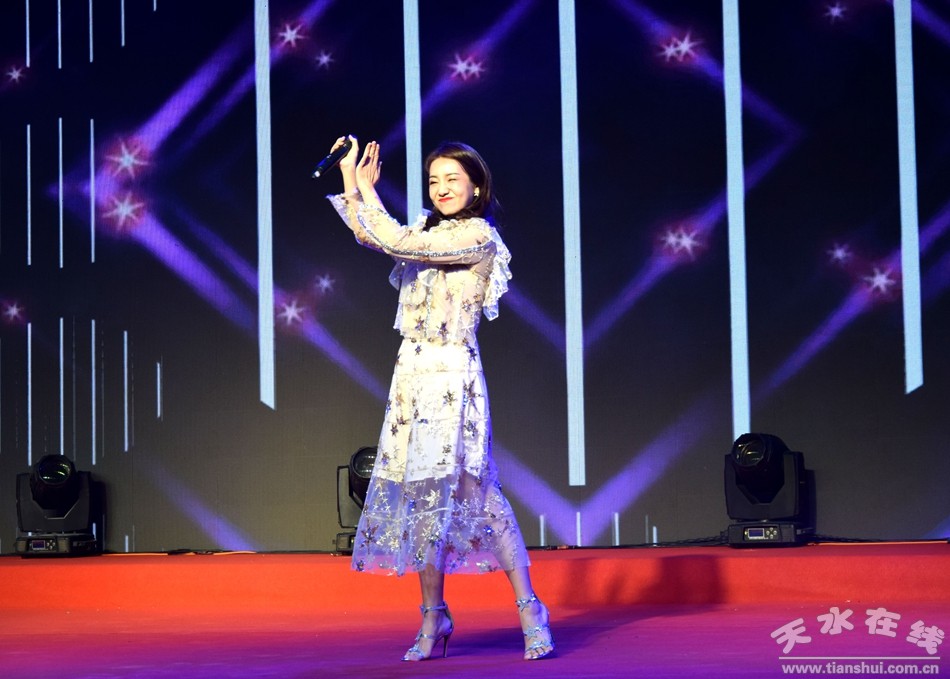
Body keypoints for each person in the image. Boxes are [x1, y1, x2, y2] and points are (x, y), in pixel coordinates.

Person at [326, 136, 555, 662]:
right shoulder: (427, 233)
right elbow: (375, 237)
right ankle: (434, 615)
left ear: (476, 186)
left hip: (453, 373)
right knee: (421, 495)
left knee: (477, 490)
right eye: (433, 181)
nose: (442, 188)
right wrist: (351, 180)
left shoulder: (478, 236)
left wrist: (363, 187)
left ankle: (530, 608)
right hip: (411, 373)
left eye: (453, 179)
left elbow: (397, 241)